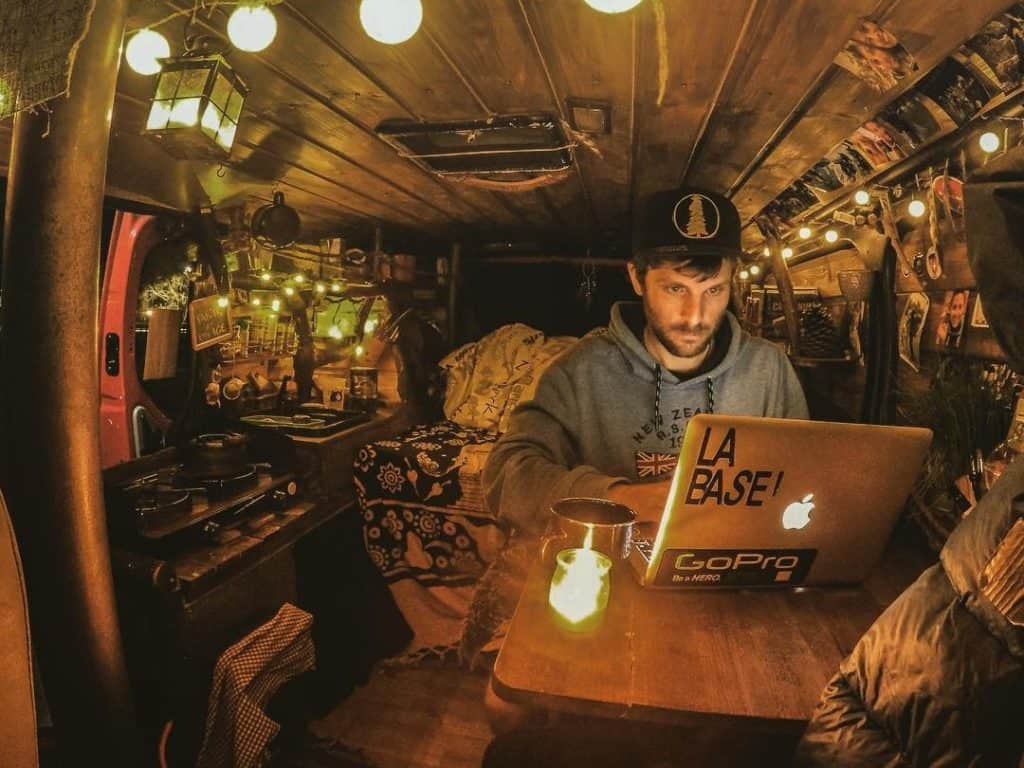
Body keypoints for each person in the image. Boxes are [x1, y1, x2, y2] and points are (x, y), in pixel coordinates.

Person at [483, 188, 808, 535]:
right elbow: (504, 477)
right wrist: (621, 498)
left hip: (732, 563)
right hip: (613, 567)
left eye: (714, 290)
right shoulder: (580, 371)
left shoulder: (768, 369)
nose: (694, 316)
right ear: (637, 279)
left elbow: (807, 476)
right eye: (675, 289)